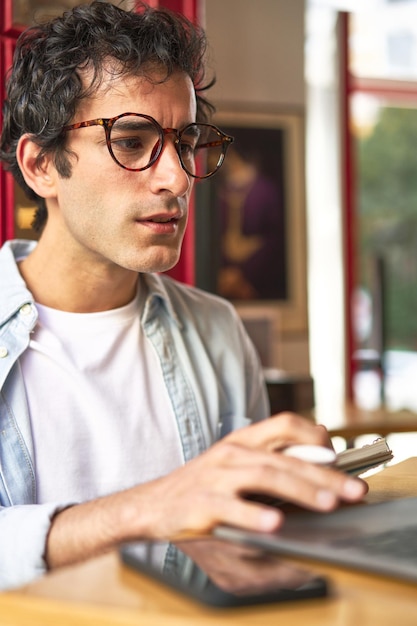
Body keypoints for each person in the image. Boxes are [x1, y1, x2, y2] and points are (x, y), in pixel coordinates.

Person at [0, 1, 366, 591]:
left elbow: (238, 555)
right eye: (133, 140)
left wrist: (293, 499)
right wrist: (152, 507)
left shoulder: (217, 330)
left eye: (186, 142)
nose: (175, 177)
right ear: (41, 165)